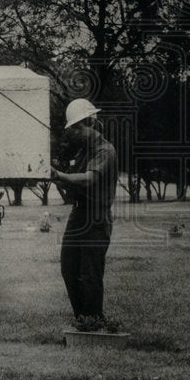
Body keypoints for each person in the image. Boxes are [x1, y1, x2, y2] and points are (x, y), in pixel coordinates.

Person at [50, 98, 118, 329]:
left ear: (93, 123)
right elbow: (73, 186)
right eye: (74, 128)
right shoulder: (82, 153)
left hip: (96, 218)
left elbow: (89, 180)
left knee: (90, 274)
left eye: (79, 127)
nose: (76, 133)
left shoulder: (105, 151)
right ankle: (83, 321)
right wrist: (52, 174)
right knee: (69, 269)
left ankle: (95, 321)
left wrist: (59, 175)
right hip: (78, 215)